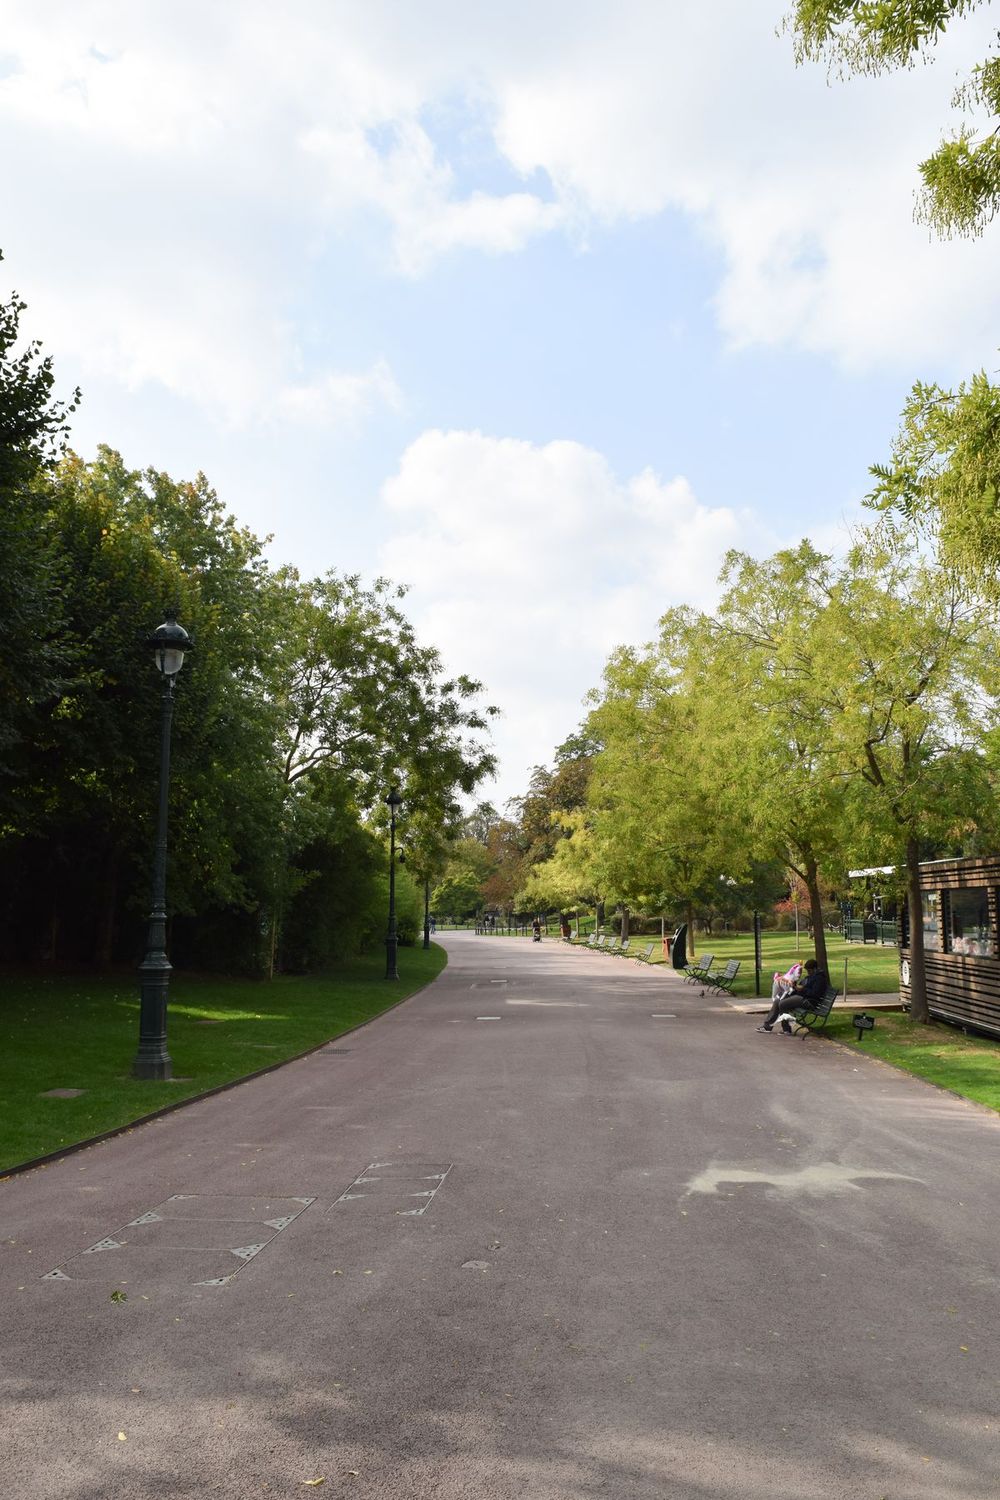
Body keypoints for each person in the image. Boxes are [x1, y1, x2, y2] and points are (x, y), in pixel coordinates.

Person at [756, 958, 827, 1034]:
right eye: (807, 971)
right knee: (777, 1000)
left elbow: (815, 994)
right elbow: (802, 986)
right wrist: (795, 986)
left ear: (815, 969)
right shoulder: (810, 977)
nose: (808, 973)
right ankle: (767, 1026)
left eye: (809, 971)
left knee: (782, 1004)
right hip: (801, 996)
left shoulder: (820, 979)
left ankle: (786, 1029)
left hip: (809, 1001)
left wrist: (802, 989)